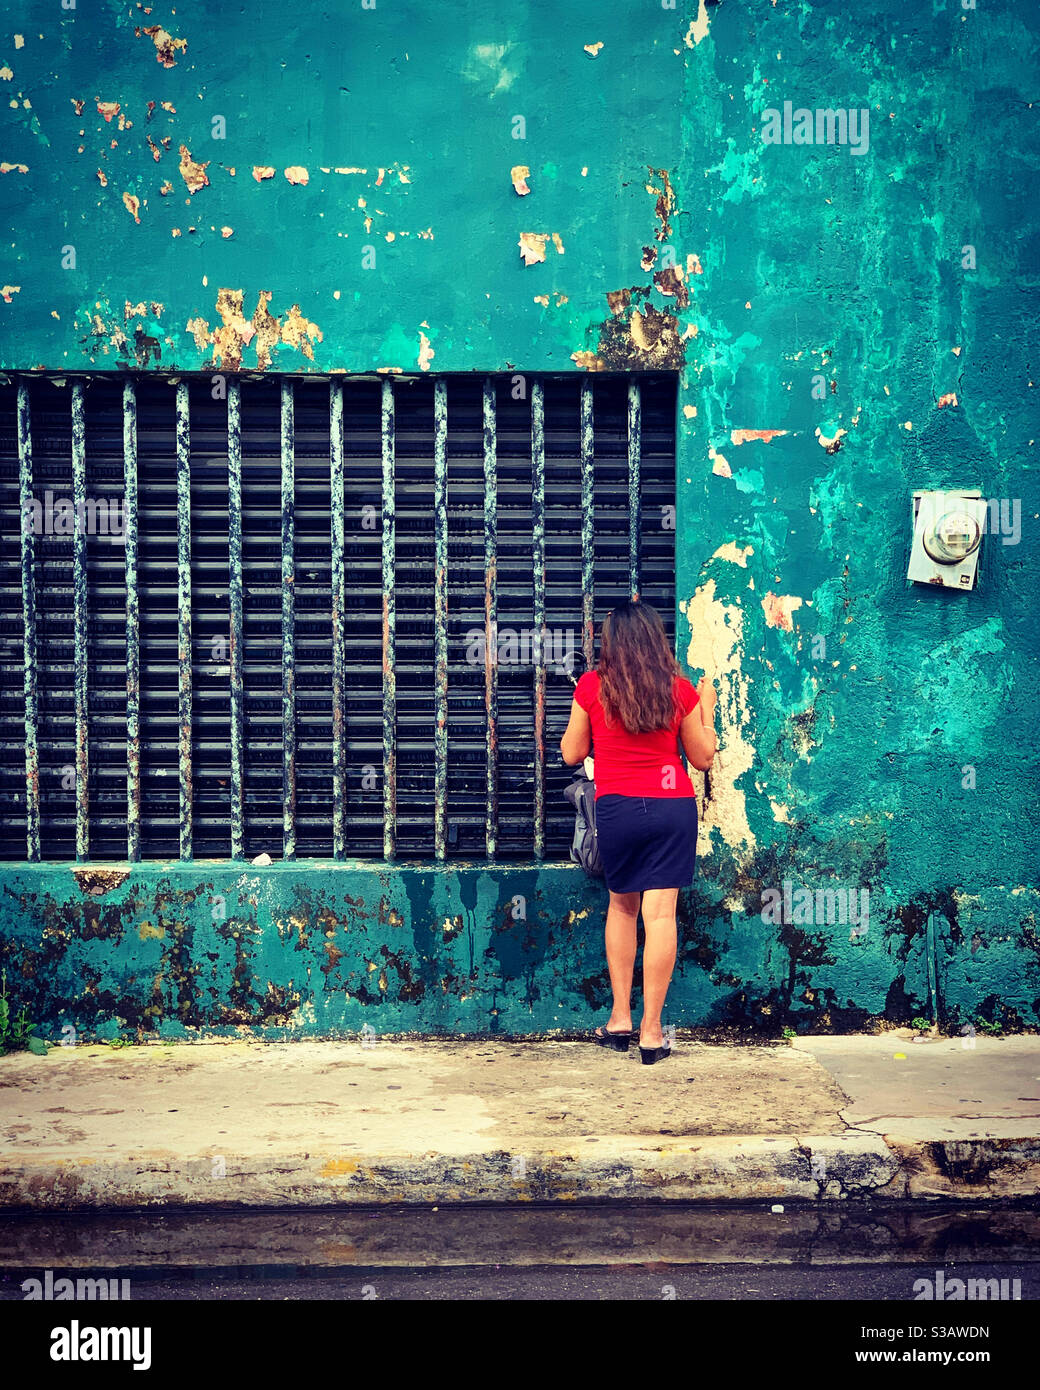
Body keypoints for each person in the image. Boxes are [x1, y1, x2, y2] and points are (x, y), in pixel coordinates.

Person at [559, 599, 717, 1064]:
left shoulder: (592, 687)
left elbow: (571, 754)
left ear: (612, 643)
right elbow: (703, 757)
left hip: (618, 809)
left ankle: (619, 1019)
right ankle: (652, 1033)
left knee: (622, 909)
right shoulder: (680, 691)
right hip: (672, 807)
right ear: (655, 639)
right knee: (661, 915)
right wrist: (706, 709)